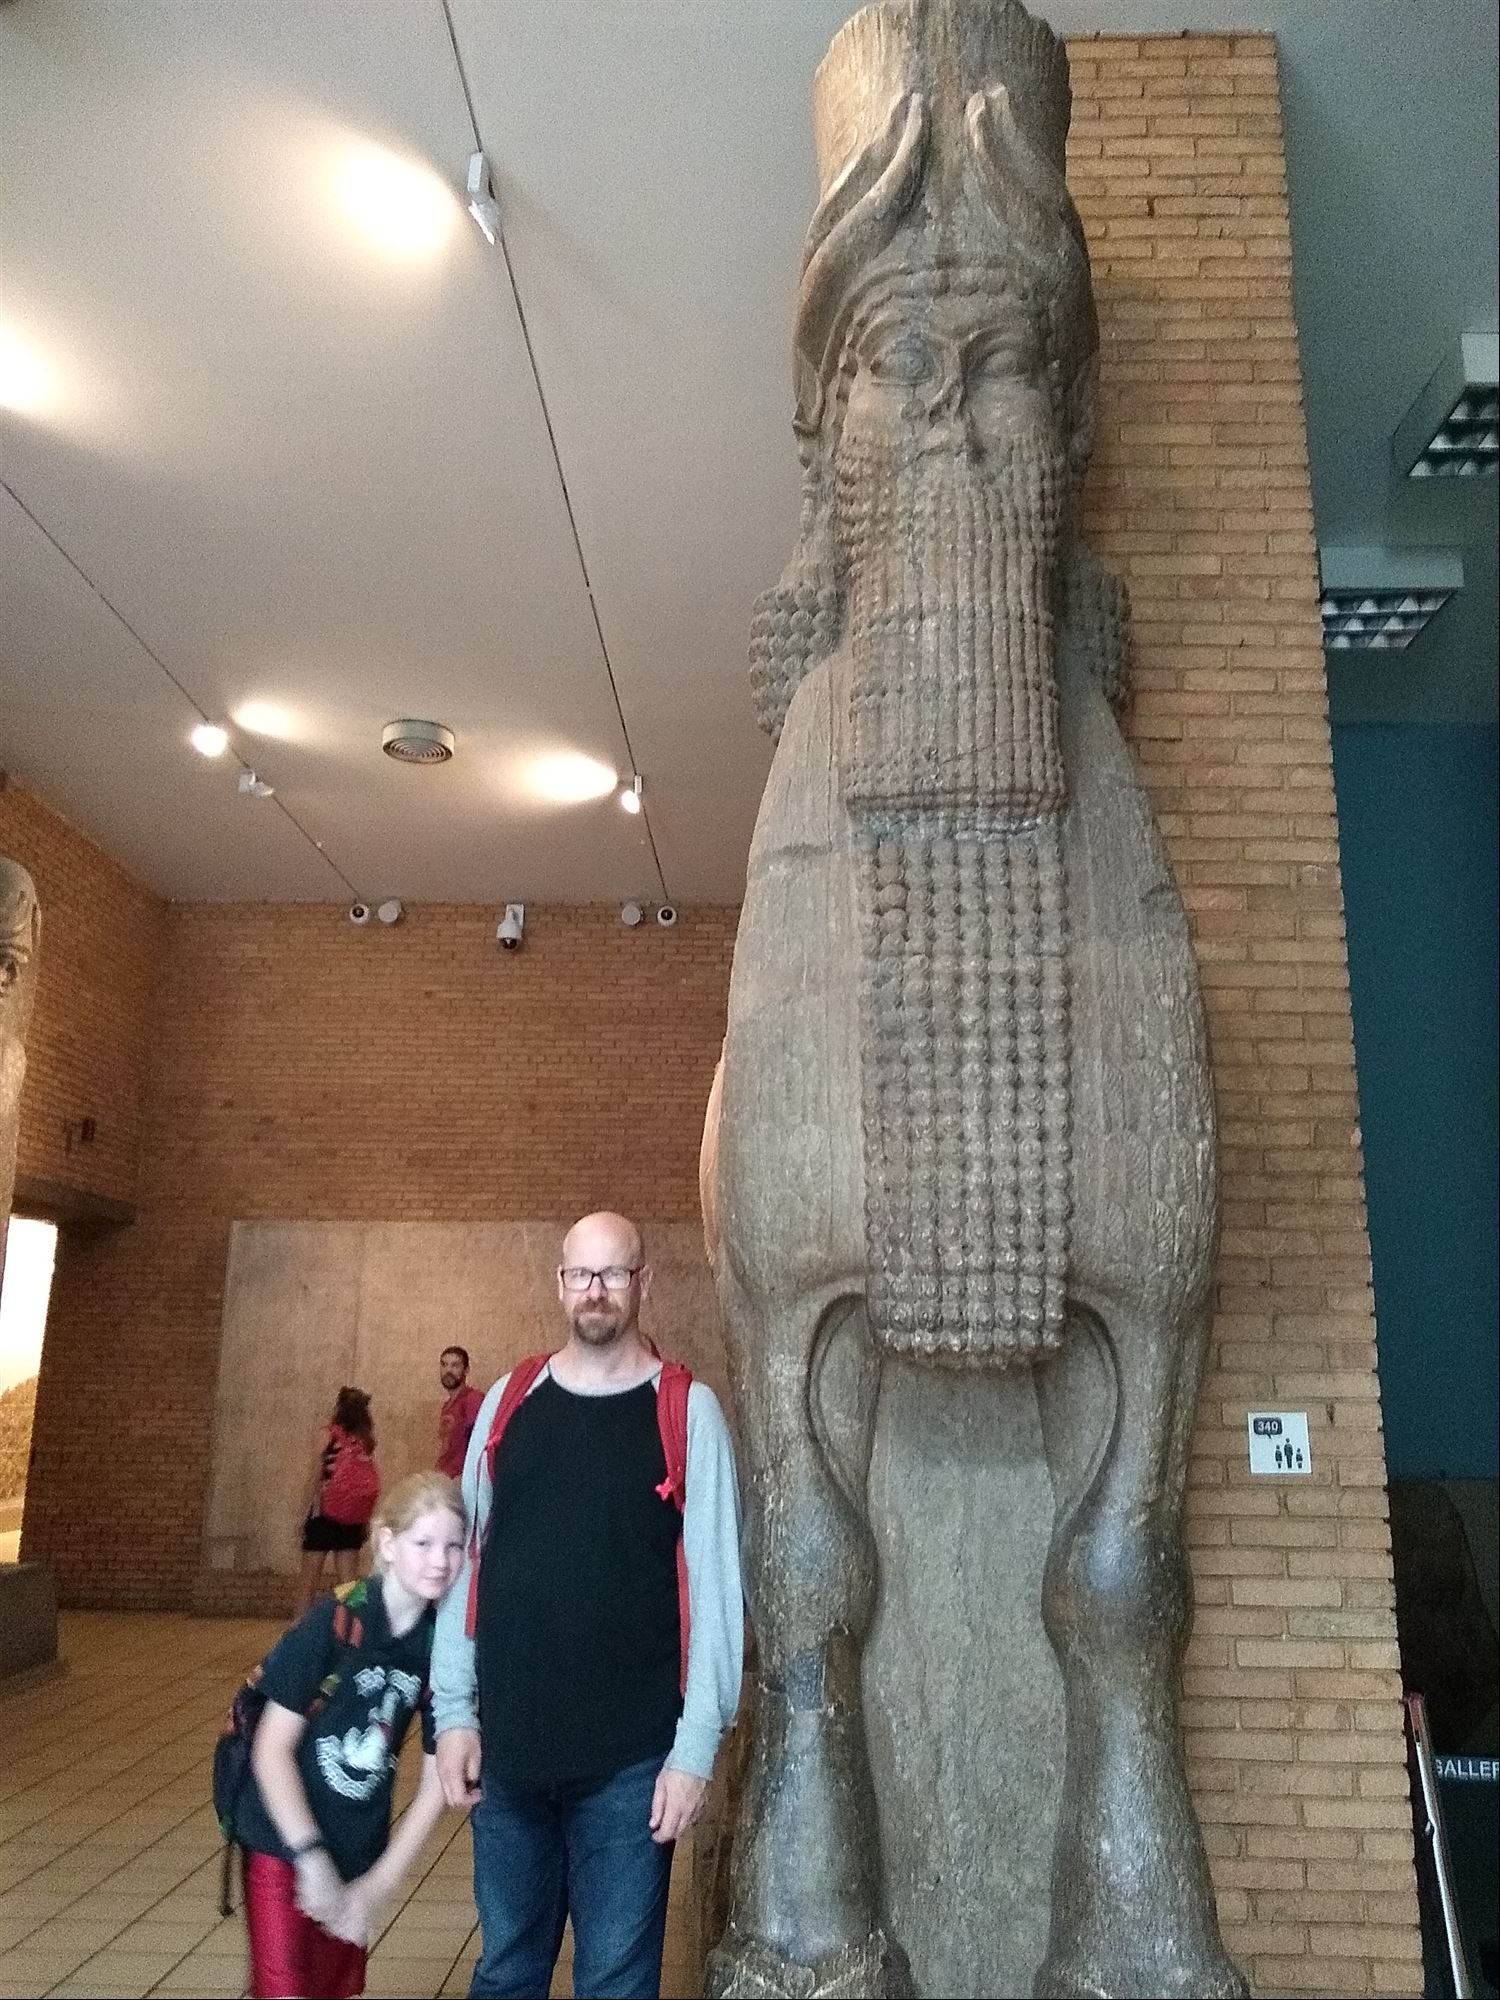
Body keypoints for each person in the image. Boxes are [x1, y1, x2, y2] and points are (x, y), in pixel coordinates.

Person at [432, 1211, 744, 2000]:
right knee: (506, 1972)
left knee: (614, 1981)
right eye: (581, 1274)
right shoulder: (510, 1403)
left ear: (644, 1282)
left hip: (630, 1769)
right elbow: (469, 1567)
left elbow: (716, 1589)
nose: (595, 1290)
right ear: (560, 1283)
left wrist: (694, 1751)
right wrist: (455, 1712)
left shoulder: (687, 1413)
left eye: (613, 1274)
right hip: (509, 1756)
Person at [236, 1470, 467, 2000]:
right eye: (423, 1543)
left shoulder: (440, 1647)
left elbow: (437, 1779)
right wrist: (310, 1857)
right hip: (282, 1838)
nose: (440, 1561)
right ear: (387, 1544)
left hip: (356, 1848)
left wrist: (377, 1886)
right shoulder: (335, 1619)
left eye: (454, 1546)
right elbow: (271, 1750)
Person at [297, 1387, 380, 1616]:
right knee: (349, 1584)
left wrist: (304, 1515)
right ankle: (354, 1628)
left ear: (338, 1408)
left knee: (308, 1583)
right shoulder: (365, 1440)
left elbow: (315, 1476)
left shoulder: (327, 1435)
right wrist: (365, 1520)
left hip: (323, 1515)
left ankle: (299, 1629)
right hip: (353, 1519)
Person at [436, 1345, 486, 1480]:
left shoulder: (472, 1399)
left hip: (463, 1479)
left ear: (466, 1370)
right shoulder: (447, 1406)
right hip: (445, 1477)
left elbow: (480, 1441)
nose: (448, 1370)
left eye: (455, 1365)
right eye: (444, 1365)